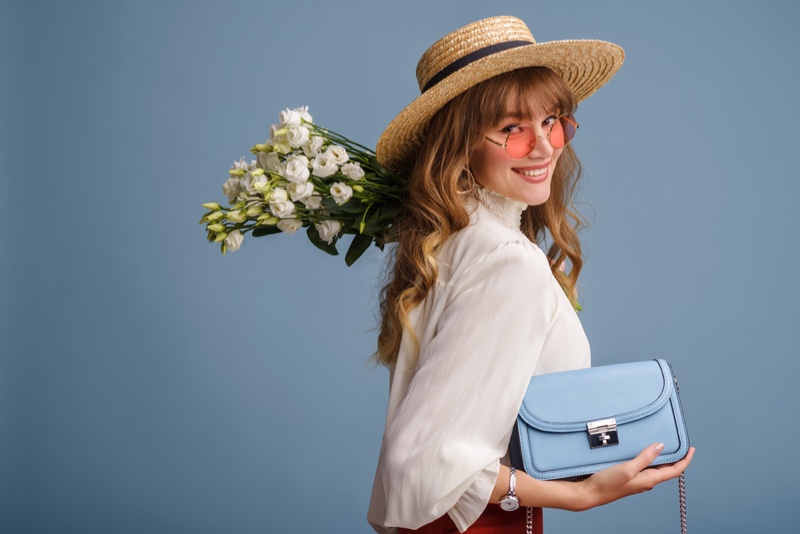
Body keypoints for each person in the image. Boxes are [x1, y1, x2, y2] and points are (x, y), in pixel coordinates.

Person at [366, 16, 695, 534]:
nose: (543, 147)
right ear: (461, 144)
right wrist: (580, 494)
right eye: (511, 129)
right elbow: (424, 461)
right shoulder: (505, 260)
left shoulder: (454, 241)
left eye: (553, 121)